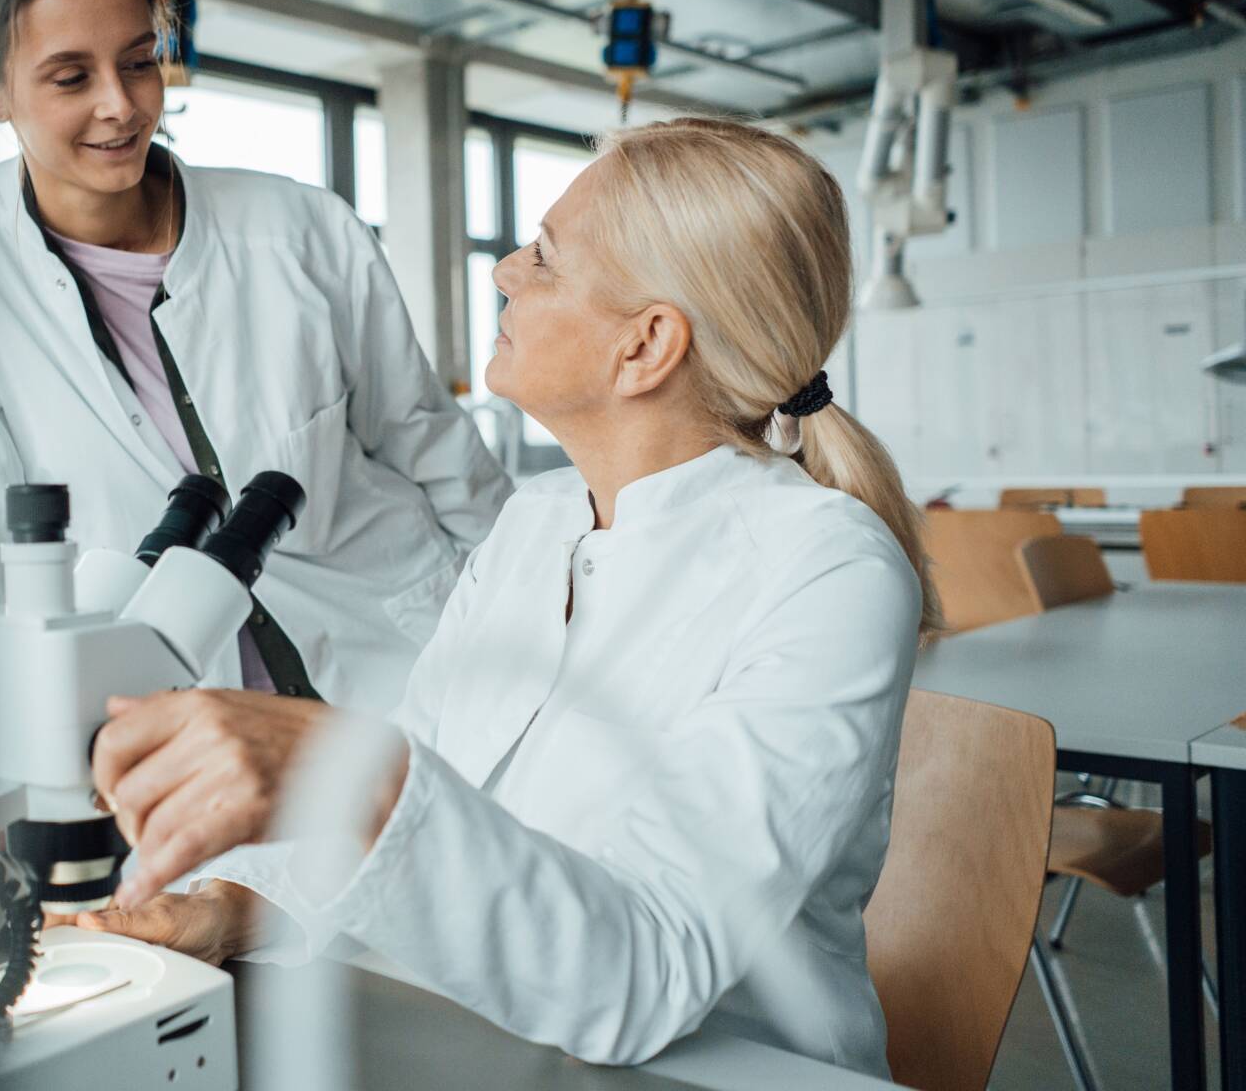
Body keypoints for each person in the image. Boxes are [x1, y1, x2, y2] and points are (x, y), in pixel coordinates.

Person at [78, 118, 940, 1079]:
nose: (504, 274)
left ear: (645, 345)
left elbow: (645, 974)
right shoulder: (537, 524)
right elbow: (431, 787)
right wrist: (232, 905)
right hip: (494, 1045)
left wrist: (354, 770)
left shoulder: (827, 573)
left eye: (546, 258)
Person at [0, 0, 509, 712]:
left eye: (139, 63)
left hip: (401, 670)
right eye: (71, 78)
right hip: (175, 717)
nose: (120, 105)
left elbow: (436, 453)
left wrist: (537, 643)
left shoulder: (300, 230)